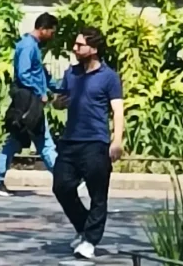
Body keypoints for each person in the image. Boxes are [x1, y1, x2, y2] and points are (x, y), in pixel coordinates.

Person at [51, 25, 125, 260]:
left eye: (79, 45)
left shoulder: (109, 77)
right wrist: (57, 103)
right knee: (61, 187)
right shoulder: (71, 74)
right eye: (75, 44)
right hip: (70, 141)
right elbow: (60, 102)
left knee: (97, 194)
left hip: (96, 142)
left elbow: (118, 110)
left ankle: (90, 241)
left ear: (93, 49)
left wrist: (117, 140)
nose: (74, 48)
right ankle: (85, 228)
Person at [0, 11, 60, 193]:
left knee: (15, 141)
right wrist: (40, 93)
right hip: (30, 102)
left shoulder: (32, 46)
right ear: (43, 29)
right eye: (52, 32)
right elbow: (24, 74)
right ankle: (65, 179)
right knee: (44, 142)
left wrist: (59, 87)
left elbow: (40, 75)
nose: (52, 36)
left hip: (31, 100)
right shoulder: (28, 46)